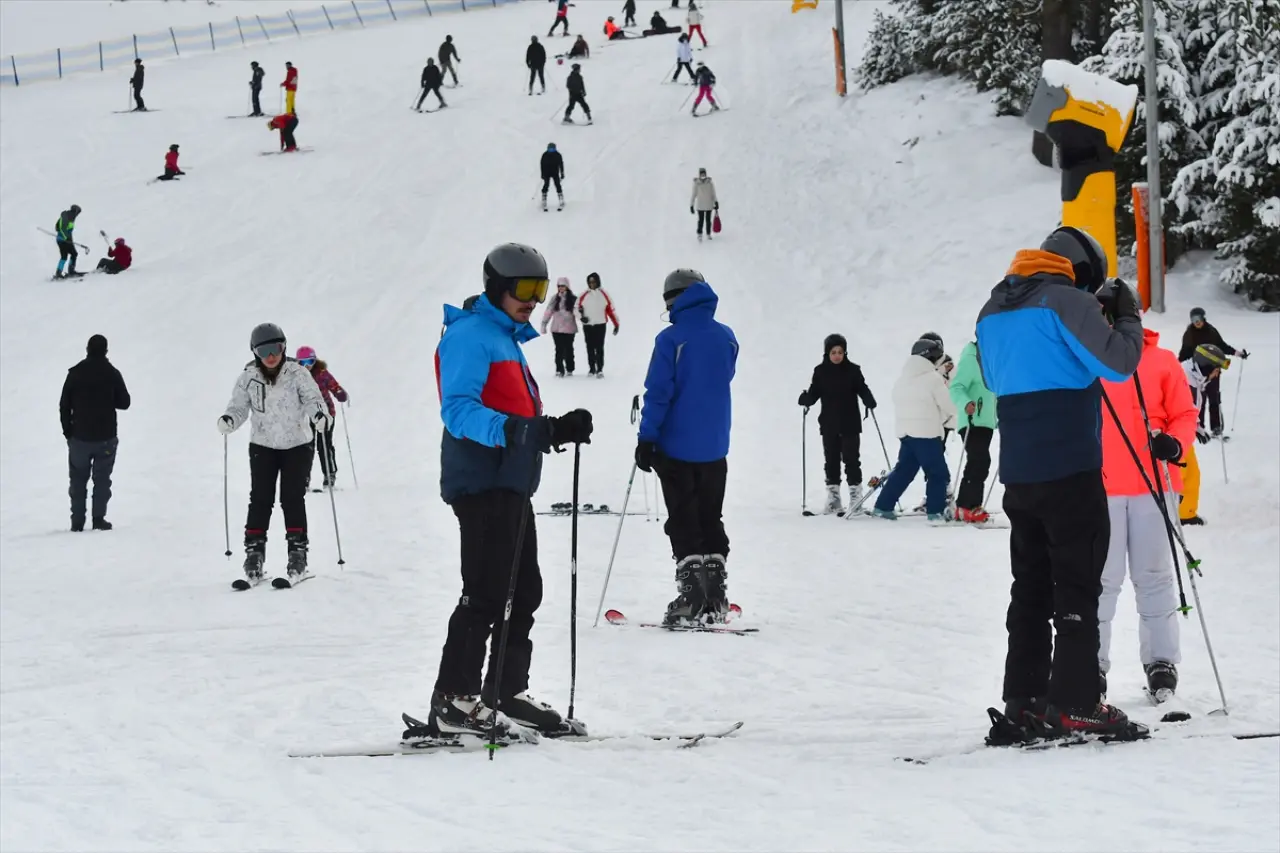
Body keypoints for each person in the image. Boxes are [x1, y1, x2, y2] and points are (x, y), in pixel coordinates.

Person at [975, 225, 1144, 737]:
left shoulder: (990, 312)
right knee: (1076, 585)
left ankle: (1022, 697)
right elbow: (1119, 364)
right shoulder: (1067, 302)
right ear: (1079, 270)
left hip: (1020, 475)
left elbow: (989, 379)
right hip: (1070, 468)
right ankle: (1076, 702)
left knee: (1028, 587)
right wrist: (1128, 316)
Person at [424, 242, 594, 742]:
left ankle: (504, 691)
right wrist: (521, 432)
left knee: (524, 592)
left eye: (540, 290)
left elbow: (516, 415)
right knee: (487, 593)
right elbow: (457, 409)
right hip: (481, 482)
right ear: (497, 288)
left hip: (511, 483)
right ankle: (454, 698)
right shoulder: (470, 336)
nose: (533, 299)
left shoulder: (505, 341)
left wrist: (553, 430)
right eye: (524, 289)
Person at [1097, 327, 1197, 701]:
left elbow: (1185, 413)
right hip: (1100, 486)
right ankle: (1091, 663)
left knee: (1153, 576)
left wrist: (1174, 442)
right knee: (1100, 580)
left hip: (1153, 484)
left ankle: (1161, 660)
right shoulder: (1088, 356)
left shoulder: (1161, 359)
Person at [635, 269, 738, 626]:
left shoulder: (670, 340)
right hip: (715, 445)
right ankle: (716, 595)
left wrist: (647, 437)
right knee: (711, 516)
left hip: (676, 446)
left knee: (683, 517)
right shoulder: (726, 337)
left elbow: (659, 393)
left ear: (672, 300)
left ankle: (692, 597)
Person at [217, 323, 329, 585]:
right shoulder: (248, 377)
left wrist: (319, 416)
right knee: (260, 498)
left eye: (275, 349)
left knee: (291, 498)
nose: (270, 356)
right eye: (264, 350)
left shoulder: (298, 374)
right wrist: (230, 420)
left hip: (297, 445)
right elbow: (239, 407)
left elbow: (314, 400)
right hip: (263, 445)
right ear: (255, 352)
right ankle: (254, 554)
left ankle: (297, 555)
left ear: (284, 347)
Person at [869, 338, 956, 520]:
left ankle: (883, 506)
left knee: (905, 470)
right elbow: (949, 405)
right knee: (937, 472)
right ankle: (936, 512)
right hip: (927, 433)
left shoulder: (903, 379)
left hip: (906, 432)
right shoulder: (933, 379)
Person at [797, 334, 877, 514]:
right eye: (833, 352)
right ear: (827, 353)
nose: (837, 356)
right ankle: (834, 497)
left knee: (851, 459)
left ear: (845, 352)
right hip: (829, 423)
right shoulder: (820, 371)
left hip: (850, 423)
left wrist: (868, 399)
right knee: (831, 460)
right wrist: (806, 399)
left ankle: (855, 496)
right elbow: (814, 392)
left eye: (840, 352)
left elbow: (861, 388)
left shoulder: (853, 370)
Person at [60, 334, 130, 532]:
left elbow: (64, 405)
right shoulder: (112, 373)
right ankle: (98, 519)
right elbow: (124, 402)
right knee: (102, 479)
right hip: (106, 437)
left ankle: (77, 523)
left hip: (79, 438)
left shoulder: (75, 373)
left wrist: (68, 432)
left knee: (78, 480)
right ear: (106, 351)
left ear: (87, 349)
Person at [1178, 343, 1229, 526]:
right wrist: (1193, 427)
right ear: (1206, 366)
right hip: (1174, 438)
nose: (1217, 374)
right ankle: (1177, 513)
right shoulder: (1186, 380)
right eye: (1216, 370)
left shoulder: (1194, 378)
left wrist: (1197, 427)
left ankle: (1185, 513)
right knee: (1183, 476)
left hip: (1182, 435)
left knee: (1191, 475)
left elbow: (1189, 410)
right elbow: (1179, 411)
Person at [1177, 307, 1248, 436]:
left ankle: (1216, 427)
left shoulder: (1211, 331)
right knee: (1200, 400)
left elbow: (1222, 346)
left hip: (1214, 371)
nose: (1197, 322)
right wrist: (1176, 366)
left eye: (1199, 319)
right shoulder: (1189, 335)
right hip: (1198, 372)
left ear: (1203, 318)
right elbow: (1184, 353)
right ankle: (1200, 427)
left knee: (1214, 398)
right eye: (1194, 319)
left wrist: (1238, 353)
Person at [948, 338, 997, 523]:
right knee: (979, 460)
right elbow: (957, 387)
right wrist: (966, 402)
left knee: (981, 462)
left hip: (986, 422)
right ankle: (964, 506)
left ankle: (973, 505)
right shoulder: (971, 357)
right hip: (971, 420)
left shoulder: (991, 359)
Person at [296, 346, 349, 489]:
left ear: (315, 361)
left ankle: (329, 475)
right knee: (307, 447)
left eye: (310, 361)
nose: (307, 366)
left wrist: (340, 393)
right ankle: (303, 479)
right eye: (302, 363)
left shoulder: (322, 374)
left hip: (326, 415)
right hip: (306, 416)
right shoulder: (296, 376)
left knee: (324, 445)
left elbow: (334, 385)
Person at [576, 272, 618, 376]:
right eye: (590, 282)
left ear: (598, 282)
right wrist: (581, 318)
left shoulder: (604, 294)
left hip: (600, 324)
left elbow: (610, 310)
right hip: (588, 325)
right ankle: (591, 368)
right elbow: (576, 308)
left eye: (594, 282)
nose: (592, 284)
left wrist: (616, 324)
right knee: (590, 347)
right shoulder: (584, 295)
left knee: (599, 347)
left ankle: (599, 369)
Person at [540, 277, 578, 377]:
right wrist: (544, 324)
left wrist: (582, 317)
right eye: (559, 286)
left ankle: (570, 367)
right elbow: (549, 311)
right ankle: (559, 369)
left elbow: (577, 311)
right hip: (557, 329)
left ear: (567, 287)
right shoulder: (555, 298)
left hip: (569, 329)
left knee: (569, 349)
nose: (561, 288)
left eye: (563, 286)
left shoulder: (573, 299)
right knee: (559, 349)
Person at [54, 204, 82, 279]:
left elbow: (57, 227)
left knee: (64, 256)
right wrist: (66, 238)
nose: (78, 214)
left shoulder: (67, 216)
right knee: (74, 254)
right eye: (78, 212)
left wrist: (68, 238)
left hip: (62, 240)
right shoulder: (69, 216)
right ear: (75, 211)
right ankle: (71, 271)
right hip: (63, 240)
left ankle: (58, 273)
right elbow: (62, 228)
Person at [690, 167, 718, 240]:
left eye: (704, 174)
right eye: (701, 174)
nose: (703, 175)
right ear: (699, 175)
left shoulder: (710, 183)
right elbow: (693, 194)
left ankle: (708, 233)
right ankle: (699, 234)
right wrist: (691, 205)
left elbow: (713, 193)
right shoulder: (697, 183)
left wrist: (716, 202)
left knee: (708, 220)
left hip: (709, 204)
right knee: (701, 220)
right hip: (700, 205)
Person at [540, 142, 564, 211]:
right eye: (550, 149)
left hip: (555, 172)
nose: (551, 151)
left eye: (552, 149)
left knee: (557, 185)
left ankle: (561, 199)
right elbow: (542, 165)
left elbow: (561, 164)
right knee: (546, 185)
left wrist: (562, 173)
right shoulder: (545, 155)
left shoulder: (558, 155)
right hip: (547, 173)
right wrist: (542, 174)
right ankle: (544, 199)